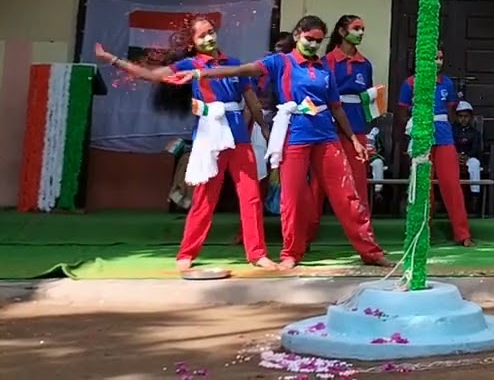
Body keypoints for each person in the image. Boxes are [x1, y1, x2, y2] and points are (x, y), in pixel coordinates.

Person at [166, 15, 386, 269]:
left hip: (327, 137)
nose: (313, 45)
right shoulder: (281, 61)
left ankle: (371, 252)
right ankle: (291, 253)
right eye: (308, 39)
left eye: (318, 41)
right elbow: (242, 70)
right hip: (294, 137)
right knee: (291, 198)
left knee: (348, 195)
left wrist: (353, 140)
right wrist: (199, 72)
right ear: (296, 35)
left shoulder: (325, 68)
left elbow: (336, 108)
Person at [93, 16, 276, 271]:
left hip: (239, 138)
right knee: (204, 198)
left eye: (211, 32)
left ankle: (257, 253)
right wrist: (112, 59)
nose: (209, 38)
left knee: (251, 196)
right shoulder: (190, 65)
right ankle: (187, 253)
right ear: (192, 43)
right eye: (201, 36)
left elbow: (251, 100)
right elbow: (151, 75)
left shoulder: (234, 64)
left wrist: (265, 130)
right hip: (211, 137)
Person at [308, 14, 380, 245]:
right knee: (318, 185)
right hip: (328, 127)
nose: (361, 33)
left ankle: (366, 240)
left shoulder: (365, 64)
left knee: (358, 183)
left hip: (357, 128)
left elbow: (368, 100)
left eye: (363, 29)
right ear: (341, 31)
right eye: (356, 28)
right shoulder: (326, 61)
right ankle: (305, 237)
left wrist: (369, 134)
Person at [394, 49, 473, 246]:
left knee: (451, 184)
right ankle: (421, 233)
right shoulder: (410, 83)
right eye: (434, 58)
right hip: (421, 137)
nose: (438, 62)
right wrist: (412, 135)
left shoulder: (446, 83)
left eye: (440, 58)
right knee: (423, 186)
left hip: (444, 137)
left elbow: (451, 111)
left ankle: (462, 234)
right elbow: (402, 113)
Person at [453, 100, 487, 215]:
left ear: (471, 117)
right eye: (460, 116)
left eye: (466, 116)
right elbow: (449, 145)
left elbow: (476, 148)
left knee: (475, 164)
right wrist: (456, 156)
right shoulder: (451, 131)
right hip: (453, 158)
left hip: (469, 158)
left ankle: (475, 196)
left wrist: (467, 156)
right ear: (456, 117)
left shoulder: (475, 133)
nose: (463, 119)